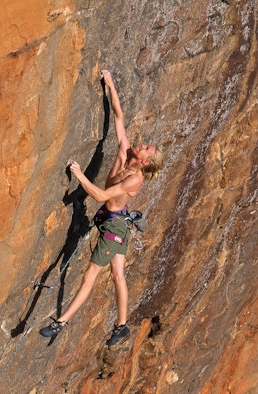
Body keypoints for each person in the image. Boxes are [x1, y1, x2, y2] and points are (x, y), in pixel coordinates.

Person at [39, 69, 164, 346]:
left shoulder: (134, 180)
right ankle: (121, 326)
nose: (142, 145)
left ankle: (61, 322)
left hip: (113, 227)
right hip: (117, 223)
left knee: (90, 275)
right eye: (145, 145)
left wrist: (79, 174)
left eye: (147, 149)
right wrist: (110, 84)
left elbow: (99, 195)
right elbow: (118, 118)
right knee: (118, 275)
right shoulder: (125, 152)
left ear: (145, 163)